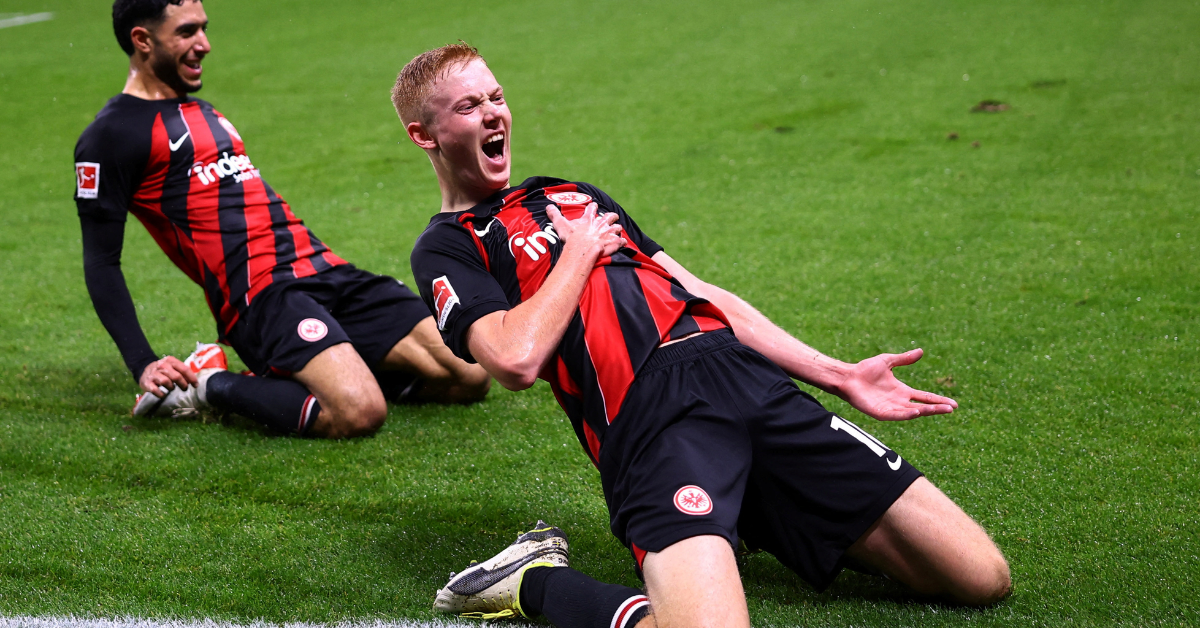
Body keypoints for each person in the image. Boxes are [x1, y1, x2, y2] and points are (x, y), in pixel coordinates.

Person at [396, 44, 1011, 627]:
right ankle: (532, 580)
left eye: (495, 97)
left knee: (980, 576)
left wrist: (838, 373)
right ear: (424, 135)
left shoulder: (574, 195)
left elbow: (703, 293)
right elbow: (513, 358)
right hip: (651, 417)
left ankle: (755, 507)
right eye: (468, 107)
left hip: (741, 377)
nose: (493, 113)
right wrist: (576, 255)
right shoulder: (447, 246)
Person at [72, 0, 490, 439]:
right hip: (260, 295)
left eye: (204, 29)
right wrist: (143, 361)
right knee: (359, 412)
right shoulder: (110, 137)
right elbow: (101, 261)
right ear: (142, 39)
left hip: (325, 269)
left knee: (468, 374)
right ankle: (206, 383)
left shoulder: (204, 112)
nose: (205, 44)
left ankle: (336, 356)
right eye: (187, 32)